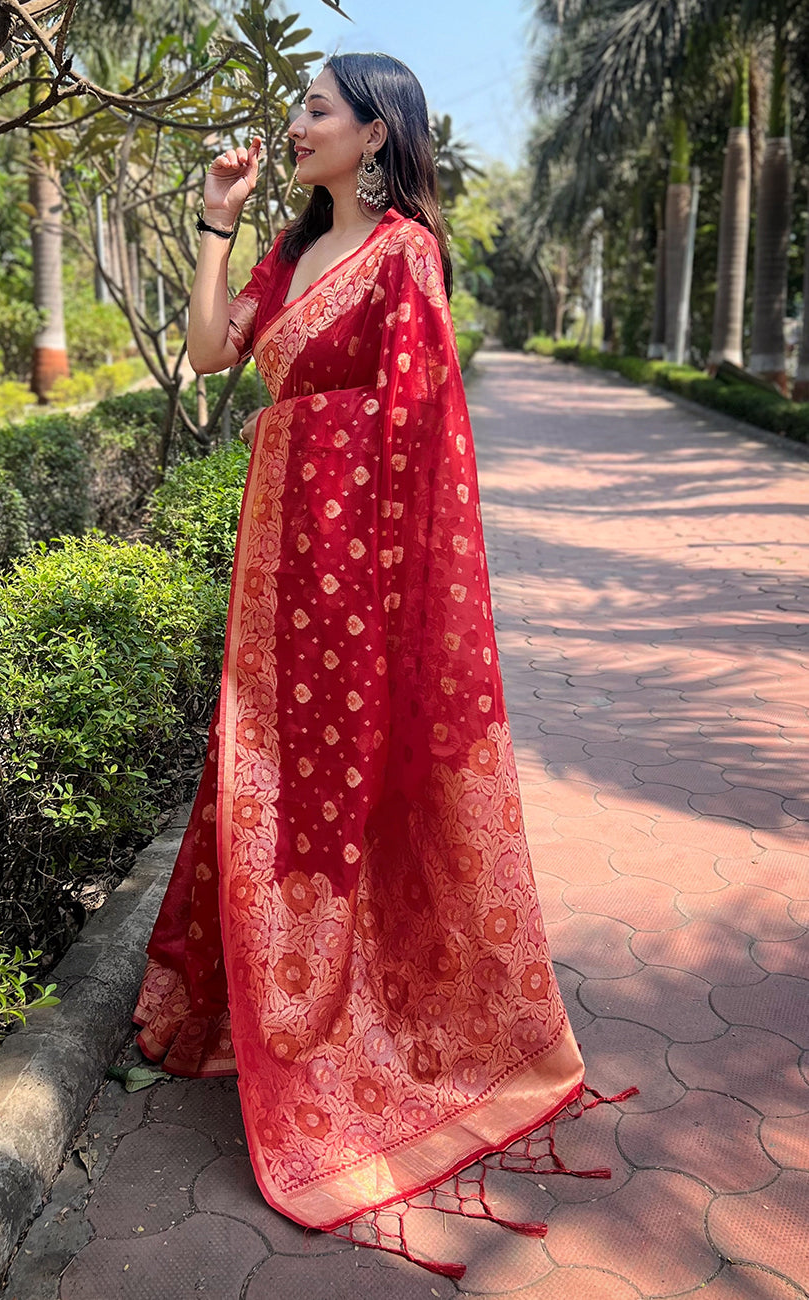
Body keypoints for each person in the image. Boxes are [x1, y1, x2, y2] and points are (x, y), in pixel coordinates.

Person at [134, 52, 618, 1276]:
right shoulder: (288, 256)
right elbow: (208, 354)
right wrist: (216, 222)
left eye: (316, 110)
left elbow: (423, 435)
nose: (294, 126)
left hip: (355, 585)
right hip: (276, 568)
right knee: (259, 784)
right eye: (297, 106)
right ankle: (273, 1012)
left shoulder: (406, 254)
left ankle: (353, 1030)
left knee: (343, 798)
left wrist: (399, 615)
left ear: (377, 132)